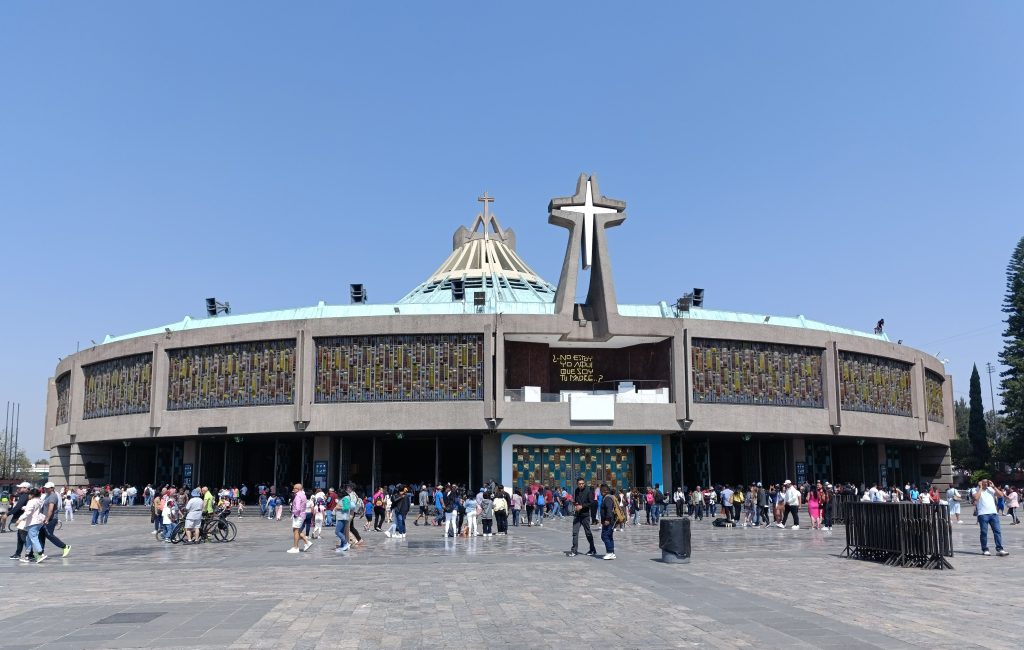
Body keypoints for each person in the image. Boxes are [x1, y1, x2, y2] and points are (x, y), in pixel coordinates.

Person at [971, 479, 1009, 556]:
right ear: (980, 483)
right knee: (984, 532)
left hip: (993, 513)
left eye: (987, 483)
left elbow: (1001, 495)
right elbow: (976, 498)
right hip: (983, 514)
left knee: (997, 531)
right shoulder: (975, 490)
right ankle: (985, 549)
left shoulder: (990, 489)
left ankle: (1000, 549)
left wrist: (994, 486)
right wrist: (980, 488)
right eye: (984, 483)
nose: (986, 484)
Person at [38, 482, 70, 558]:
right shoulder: (47, 495)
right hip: (45, 518)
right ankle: (40, 553)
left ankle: (65, 546)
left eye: (47, 488)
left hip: (51, 519)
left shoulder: (53, 496)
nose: (45, 489)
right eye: (45, 488)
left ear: (52, 488)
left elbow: (51, 509)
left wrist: (47, 519)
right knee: (41, 535)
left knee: (49, 535)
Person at [16, 488, 47, 563]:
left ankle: (40, 553)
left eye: (29, 494)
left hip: (33, 522)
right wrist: (25, 508)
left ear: (32, 495)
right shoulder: (39, 500)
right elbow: (33, 509)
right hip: (38, 521)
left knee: (33, 537)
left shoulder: (31, 501)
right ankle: (27, 556)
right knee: (29, 539)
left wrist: (19, 519)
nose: (28, 496)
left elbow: (28, 513)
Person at [568, 478, 597, 557]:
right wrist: (575, 503)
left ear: (584, 483)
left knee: (588, 533)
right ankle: (574, 550)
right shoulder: (576, 490)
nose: (581, 485)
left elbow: (591, 503)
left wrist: (582, 506)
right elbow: (578, 501)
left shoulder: (589, 491)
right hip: (577, 515)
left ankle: (592, 549)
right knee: (575, 532)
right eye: (579, 484)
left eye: (582, 483)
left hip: (585, 515)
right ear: (577, 484)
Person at [288, 484, 313, 554]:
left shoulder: (298, 496)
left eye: (294, 488)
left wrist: (294, 513)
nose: (293, 489)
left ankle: (296, 547)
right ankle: (307, 542)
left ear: (298, 489)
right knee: (296, 530)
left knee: (296, 531)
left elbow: (298, 507)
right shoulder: (303, 495)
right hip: (302, 514)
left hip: (298, 515)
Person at [599, 484, 617, 560]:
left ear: (603, 491)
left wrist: (607, 519)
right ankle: (612, 553)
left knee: (605, 536)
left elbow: (609, 509)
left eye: (600, 491)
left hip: (608, 521)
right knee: (609, 536)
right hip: (610, 521)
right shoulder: (608, 497)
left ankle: (609, 552)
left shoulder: (607, 498)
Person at [334, 486, 351, 553]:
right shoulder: (344, 498)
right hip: (342, 517)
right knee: (341, 531)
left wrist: (339, 507)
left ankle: (346, 543)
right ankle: (342, 546)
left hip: (343, 517)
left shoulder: (345, 499)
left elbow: (346, 508)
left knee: (337, 532)